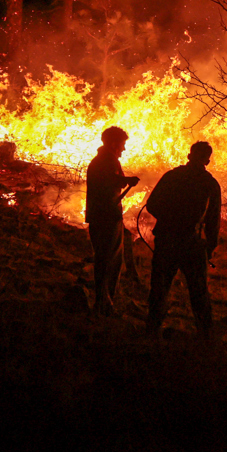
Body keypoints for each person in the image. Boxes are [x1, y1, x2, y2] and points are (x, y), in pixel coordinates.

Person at [144, 141, 221, 340]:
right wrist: (210, 247)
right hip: (192, 243)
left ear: (189, 156)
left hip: (167, 239)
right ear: (208, 160)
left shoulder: (172, 176)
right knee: (199, 293)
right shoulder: (210, 184)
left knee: (160, 287)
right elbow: (213, 220)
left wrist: (168, 219)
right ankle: (206, 336)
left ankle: (152, 330)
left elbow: (152, 204)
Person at [85, 126, 140, 316]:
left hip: (106, 215)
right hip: (106, 217)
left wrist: (124, 181)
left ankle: (105, 301)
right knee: (107, 260)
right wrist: (126, 181)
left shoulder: (105, 160)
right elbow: (108, 181)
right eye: (122, 144)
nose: (124, 149)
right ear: (114, 143)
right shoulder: (106, 160)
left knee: (109, 259)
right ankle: (103, 303)